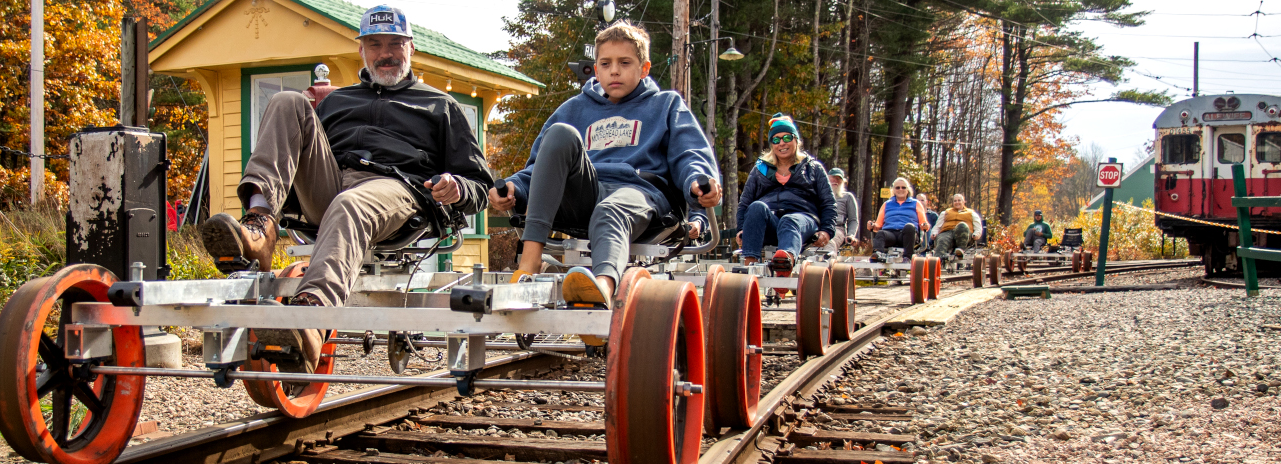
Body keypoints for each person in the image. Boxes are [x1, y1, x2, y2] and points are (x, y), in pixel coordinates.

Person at [199, 5, 493, 370]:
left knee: (350, 204)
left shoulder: (440, 105)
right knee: (286, 100)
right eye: (375, 44)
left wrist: (457, 187)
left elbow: (481, 186)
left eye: (394, 44)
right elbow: (301, 145)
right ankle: (260, 225)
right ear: (362, 51)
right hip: (330, 183)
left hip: (396, 190)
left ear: (411, 48)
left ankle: (311, 318)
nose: (385, 53)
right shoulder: (338, 101)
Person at [491, 20, 720, 308]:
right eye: (606, 63)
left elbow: (689, 155)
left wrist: (697, 182)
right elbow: (540, 166)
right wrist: (515, 186)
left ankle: (601, 288)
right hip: (586, 192)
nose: (614, 70)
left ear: (644, 68)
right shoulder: (574, 108)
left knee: (610, 210)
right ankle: (528, 264)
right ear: (596, 69)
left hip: (640, 193)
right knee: (560, 133)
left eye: (625, 62)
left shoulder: (665, 105)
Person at [732, 114, 834, 268]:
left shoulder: (812, 167)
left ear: (796, 140)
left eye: (787, 138)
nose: (781, 143)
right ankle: (750, 267)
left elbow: (828, 203)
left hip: (803, 220)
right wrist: (740, 230)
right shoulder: (760, 169)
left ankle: (784, 264)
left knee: (789, 220)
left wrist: (826, 230)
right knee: (756, 206)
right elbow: (745, 203)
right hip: (771, 222)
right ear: (771, 144)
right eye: (776, 139)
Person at [868, 177, 929, 256]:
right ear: (893, 190)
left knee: (909, 227)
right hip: (890, 234)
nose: (900, 189)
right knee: (881, 233)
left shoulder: (916, 203)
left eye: (903, 187)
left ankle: (908, 257)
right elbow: (878, 225)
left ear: (908, 190)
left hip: (907, 234)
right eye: (897, 187)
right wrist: (872, 226)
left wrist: (925, 226)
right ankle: (877, 255)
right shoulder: (887, 204)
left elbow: (923, 223)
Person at [928, 193, 983, 258]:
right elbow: (937, 226)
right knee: (942, 239)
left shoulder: (971, 213)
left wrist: (976, 234)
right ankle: (938, 258)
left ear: (964, 201)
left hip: (963, 235)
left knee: (962, 226)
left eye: (959, 200)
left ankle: (960, 250)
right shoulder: (946, 212)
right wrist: (934, 233)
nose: (957, 202)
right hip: (948, 233)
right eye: (955, 201)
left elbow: (978, 227)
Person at [824, 168, 858, 253]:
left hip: (837, 229)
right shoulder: (819, 196)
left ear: (842, 182)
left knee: (829, 242)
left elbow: (853, 220)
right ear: (827, 178)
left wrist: (851, 235)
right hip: (819, 228)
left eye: (838, 178)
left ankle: (828, 264)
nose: (835, 180)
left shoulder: (847, 197)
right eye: (833, 177)